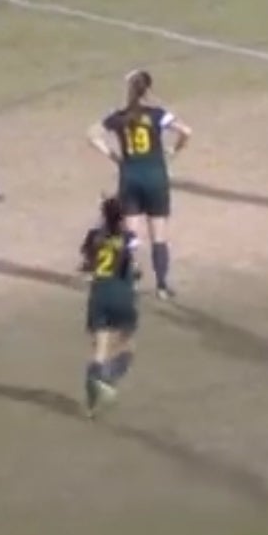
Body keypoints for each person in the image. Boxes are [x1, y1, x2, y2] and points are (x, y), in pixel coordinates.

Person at [87, 70, 191, 300]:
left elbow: (92, 134)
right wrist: (174, 150)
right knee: (159, 234)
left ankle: (128, 283)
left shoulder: (119, 116)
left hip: (130, 176)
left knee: (130, 235)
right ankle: (162, 286)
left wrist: (113, 157)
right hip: (155, 177)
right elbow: (186, 131)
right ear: (148, 90)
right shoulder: (158, 114)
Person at [79, 195, 141, 419]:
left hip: (99, 296)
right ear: (123, 218)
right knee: (127, 348)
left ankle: (91, 406)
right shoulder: (129, 238)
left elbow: (85, 269)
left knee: (98, 353)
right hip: (122, 296)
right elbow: (134, 268)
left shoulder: (93, 237)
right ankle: (106, 380)